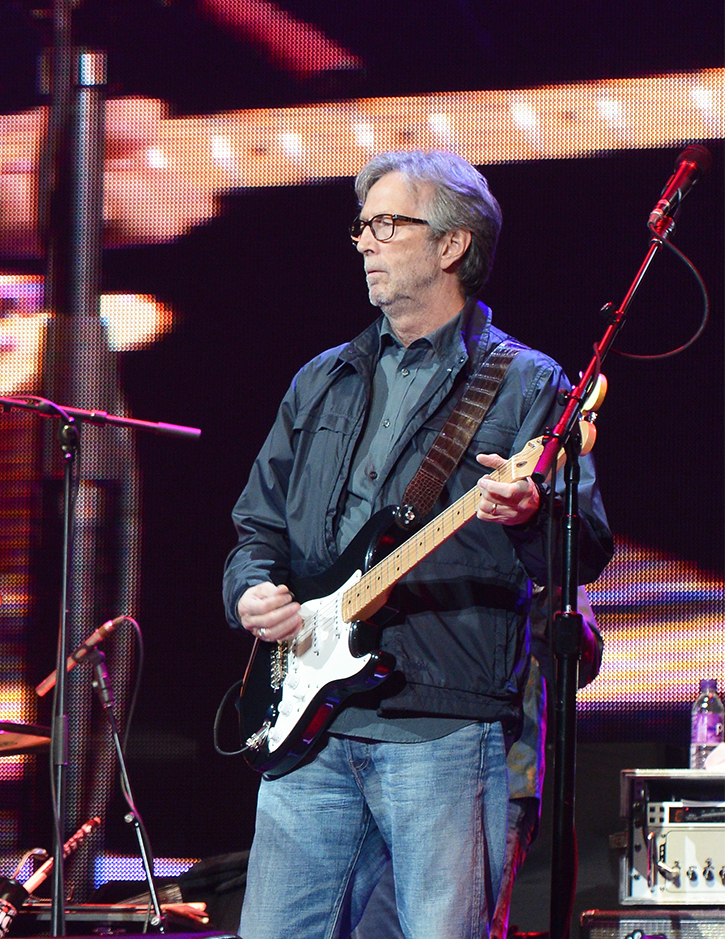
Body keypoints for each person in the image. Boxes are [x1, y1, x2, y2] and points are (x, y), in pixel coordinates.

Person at [223, 149, 612, 939]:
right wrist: (251, 589)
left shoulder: (528, 384)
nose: (364, 242)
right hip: (307, 731)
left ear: (451, 245)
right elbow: (256, 528)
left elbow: (586, 545)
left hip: (441, 727)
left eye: (387, 224)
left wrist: (532, 509)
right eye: (362, 226)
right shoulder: (321, 379)